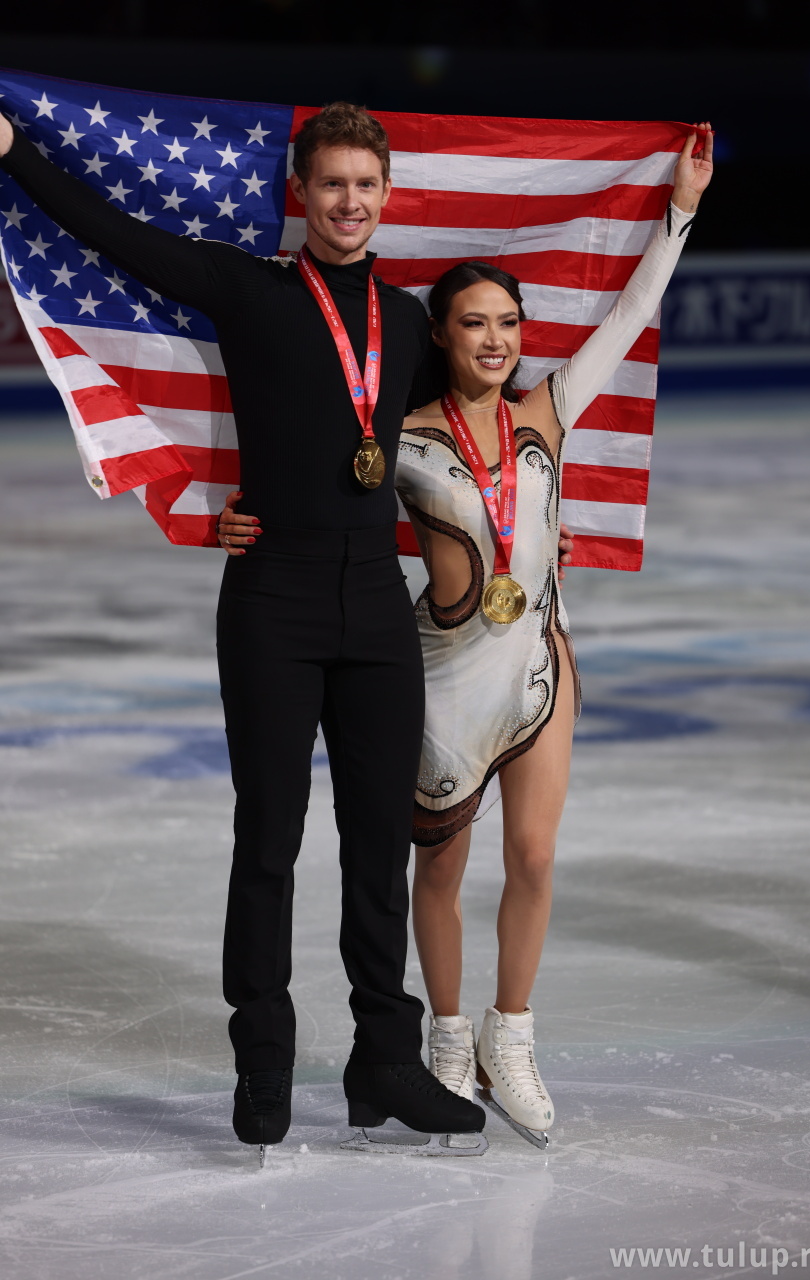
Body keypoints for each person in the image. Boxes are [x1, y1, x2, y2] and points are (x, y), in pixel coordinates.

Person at [0, 101, 488, 1154]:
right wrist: (11, 151)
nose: (349, 201)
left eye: (366, 184)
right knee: (269, 837)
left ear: (387, 194)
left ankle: (384, 1061)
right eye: (332, 184)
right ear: (299, 194)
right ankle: (262, 1056)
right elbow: (110, 233)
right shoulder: (247, 289)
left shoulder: (407, 322)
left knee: (378, 844)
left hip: (376, 600)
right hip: (273, 596)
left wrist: (669, 221)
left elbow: (481, 416)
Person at [220, 124, 714, 1145]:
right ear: (439, 337)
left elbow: (631, 313)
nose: (495, 340)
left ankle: (508, 1036)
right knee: (431, 870)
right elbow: (315, 462)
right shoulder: (399, 437)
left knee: (532, 854)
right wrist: (234, 513)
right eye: (474, 324)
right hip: (439, 669)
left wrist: (679, 211)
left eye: (508, 322)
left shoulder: (550, 410)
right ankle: (440, 1039)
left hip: (536, 661)